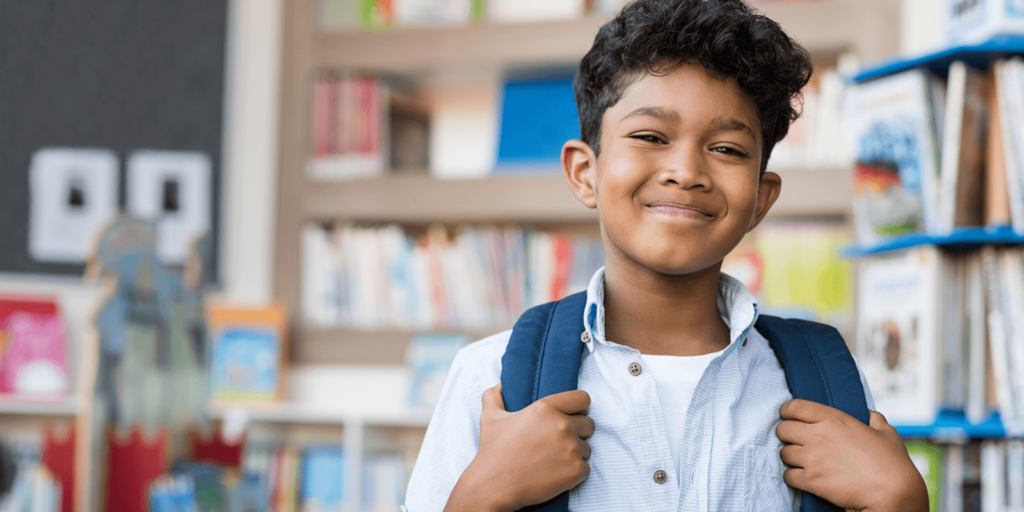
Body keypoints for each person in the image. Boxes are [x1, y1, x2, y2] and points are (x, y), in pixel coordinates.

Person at [404, 0, 929, 510]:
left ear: (761, 198)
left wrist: (901, 502)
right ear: (585, 173)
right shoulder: (488, 379)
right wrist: (481, 497)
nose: (686, 171)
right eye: (650, 136)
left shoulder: (823, 382)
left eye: (727, 149)